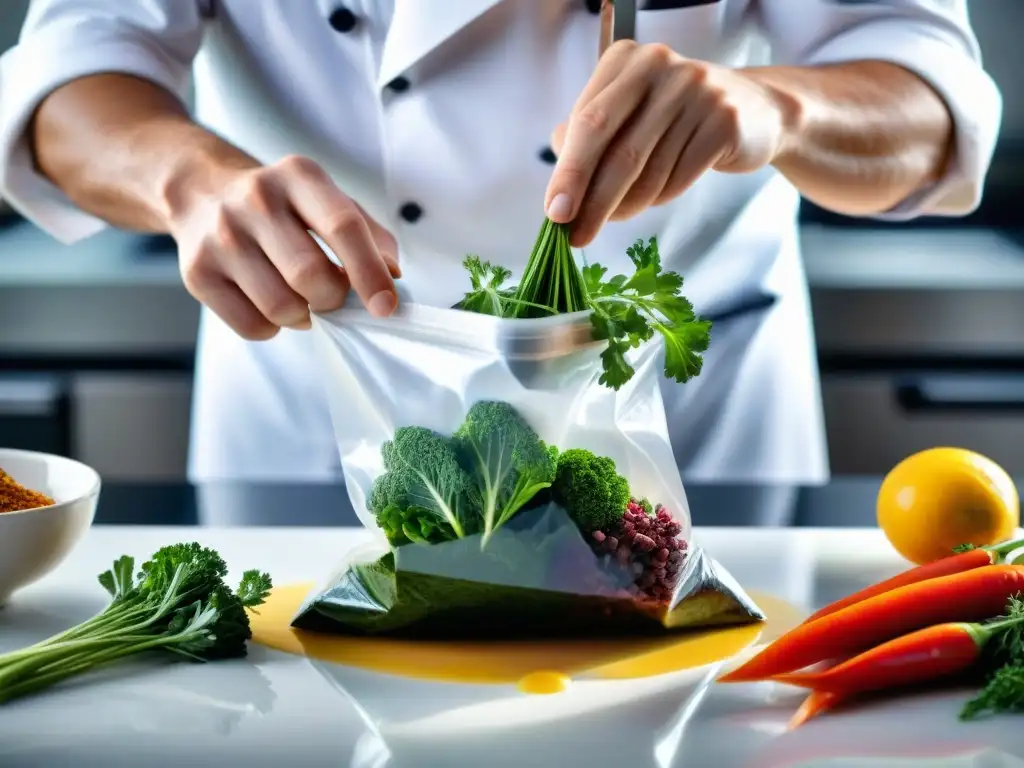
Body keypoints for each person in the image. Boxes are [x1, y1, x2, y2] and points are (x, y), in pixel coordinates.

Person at [0, 1, 1001, 526]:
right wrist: (189, 179)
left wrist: (774, 108)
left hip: (682, 407)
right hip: (323, 366)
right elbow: (68, 73)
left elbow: (926, 92)